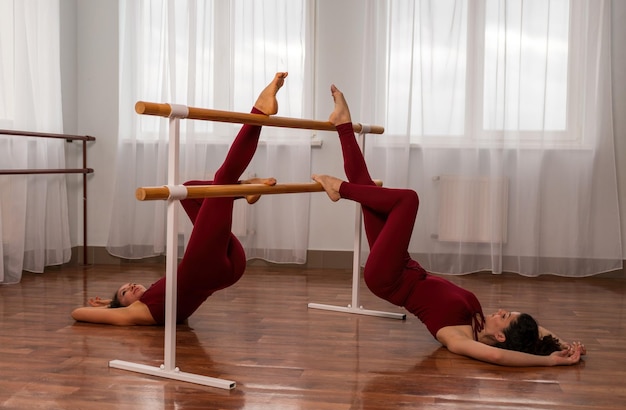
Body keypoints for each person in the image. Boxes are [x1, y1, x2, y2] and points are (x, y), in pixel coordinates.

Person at [312, 84, 585, 366]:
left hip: (387, 278)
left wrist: (553, 362)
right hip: (403, 265)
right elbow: (531, 330)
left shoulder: (457, 336)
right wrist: (558, 342)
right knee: (367, 189)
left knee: (407, 200)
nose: (501, 311)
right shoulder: (478, 319)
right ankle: (342, 124)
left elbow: (496, 355)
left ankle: (339, 188)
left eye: (505, 317)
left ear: (502, 337)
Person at [71, 72, 288, 325]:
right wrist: (111, 307)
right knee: (223, 176)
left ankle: (243, 189)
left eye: (128, 285)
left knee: (188, 191)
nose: (130, 287)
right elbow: (77, 313)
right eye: (124, 292)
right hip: (207, 267)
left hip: (223, 266)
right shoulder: (136, 312)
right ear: (124, 305)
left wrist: (114, 300)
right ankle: (259, 111)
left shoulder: (149, 297)